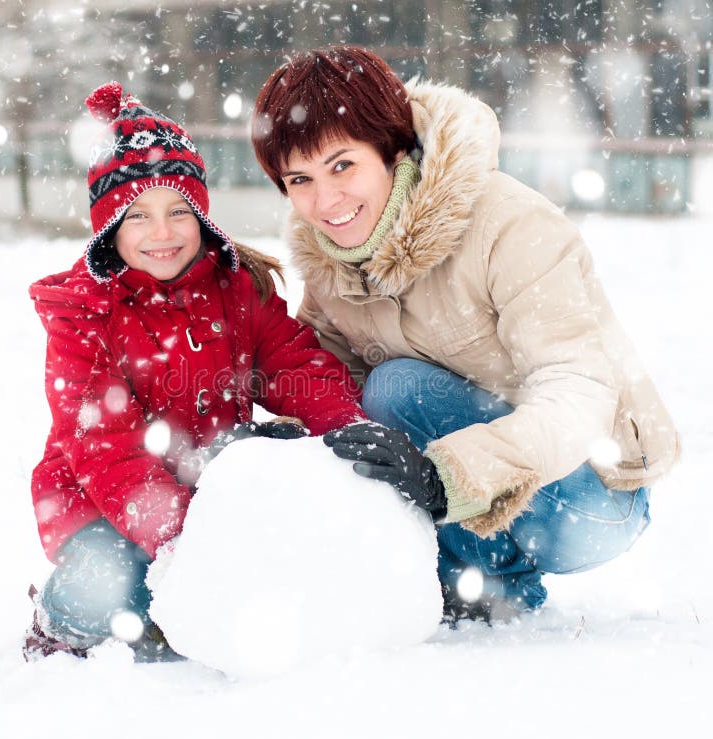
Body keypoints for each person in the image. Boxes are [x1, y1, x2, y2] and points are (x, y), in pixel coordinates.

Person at [250, 46, 680, 622]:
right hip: (484, 484)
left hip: (592, 496)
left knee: (398, 391)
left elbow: (578, 390)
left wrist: (448, 475)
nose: (325, 201)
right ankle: (455, 573)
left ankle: (492, 586)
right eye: (299, 179)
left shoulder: (510, 226)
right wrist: (287, 439)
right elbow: (325, 376)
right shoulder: (332, 260)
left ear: (392, 150)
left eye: (343, 165)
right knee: (369, 405)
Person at [24, 82, 366, 660]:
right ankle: (62, 618)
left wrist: (347, 424)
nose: (163, 233)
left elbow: (294, 364)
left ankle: (186, 609)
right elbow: (105, 446)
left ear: (201, 214)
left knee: (274, 529)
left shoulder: (231, 288)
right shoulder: (84, 315)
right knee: (114, 586)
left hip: (205, 474)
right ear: (108, 228)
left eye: (179, 211)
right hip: (101, 498)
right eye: (139, 217)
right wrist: (181, 538)